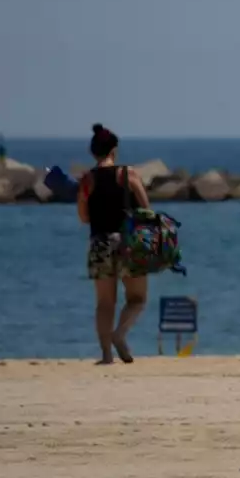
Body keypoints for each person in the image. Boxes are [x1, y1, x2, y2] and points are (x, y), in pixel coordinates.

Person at [76, 123, 151, 365]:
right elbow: (146, 210)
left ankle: (106, 355)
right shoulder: (127, 174)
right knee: (137, 299)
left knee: (105, 303)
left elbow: (83, 217)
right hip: (128, 243)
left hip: (99, 242)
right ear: (114, 151)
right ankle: (120, 334)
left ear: (93, 152)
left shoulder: (88, 180)